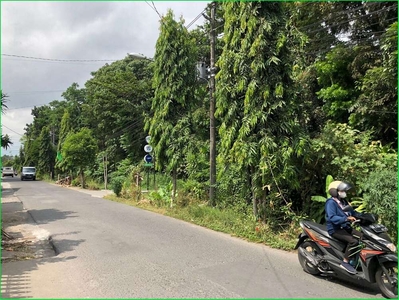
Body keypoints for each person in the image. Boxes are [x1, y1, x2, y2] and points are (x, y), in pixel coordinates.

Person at [325, 181, 362, 274]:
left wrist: (364, 216)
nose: (344, 192)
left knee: (364, 237)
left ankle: (357, 260)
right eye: (341, 190)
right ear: (335, 191)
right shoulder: (330, 203)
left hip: (345, 227)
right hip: (335, 229)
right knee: (354, 241)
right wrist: (346, 218)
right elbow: (332, 217)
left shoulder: (343, 201)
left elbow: (352, 213)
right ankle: (345, 263)